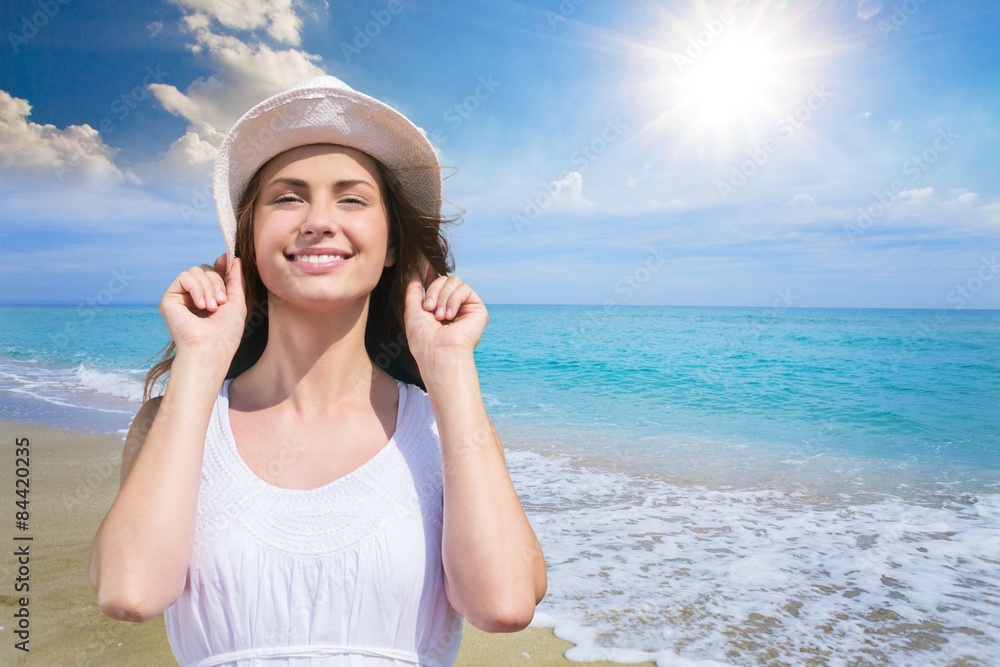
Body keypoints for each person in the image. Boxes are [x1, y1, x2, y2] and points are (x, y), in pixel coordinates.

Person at [89, 76, 547, 666]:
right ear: (249, 239)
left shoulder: (441, 428)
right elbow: (130, 592)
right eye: (288, 197)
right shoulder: (175, 422)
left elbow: (504, 605)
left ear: (388, 247)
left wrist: (451, 369)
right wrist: (201, 359)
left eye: (351, 199)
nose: (318, 221)